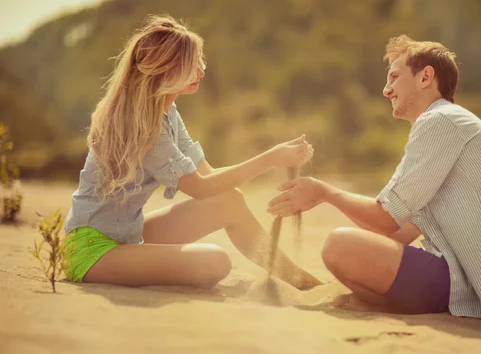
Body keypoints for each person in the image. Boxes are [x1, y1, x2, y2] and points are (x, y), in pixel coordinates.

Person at [267, 35, 481, 317]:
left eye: (394, 77)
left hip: (480, 284)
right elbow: (396, 232)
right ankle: (380, 302)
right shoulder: (447, 124)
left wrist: (323, 193)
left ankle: (382, 302)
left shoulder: (439, 121)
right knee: (350, 249)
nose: (386, 89)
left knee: (338, 246)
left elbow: (385, 218)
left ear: (425, 78)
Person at [63, 15, 321, 290]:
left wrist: (274, 162)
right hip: (91, 251)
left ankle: (300, 281)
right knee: (214, 262)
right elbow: (200, 188)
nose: (201, 72)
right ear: (165, 69)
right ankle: (302, 283)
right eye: (190, 65)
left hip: (127, 236)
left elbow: (208, 177)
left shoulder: (167, 114)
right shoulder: (143, 127)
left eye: (200, 62)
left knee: (229, 201)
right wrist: (270, 159)